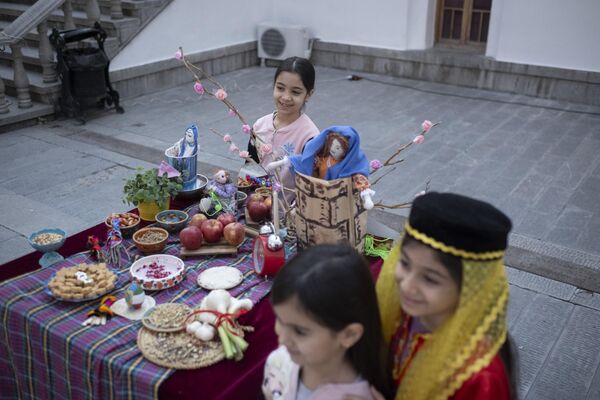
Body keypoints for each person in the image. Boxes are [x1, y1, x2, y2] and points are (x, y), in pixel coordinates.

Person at [371, 192, 515, 400]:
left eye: (430, 279)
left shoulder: (480, 378)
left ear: (470, 287)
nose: (407, 285)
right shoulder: (406, 314)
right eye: (404, 263)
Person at [262, 244, 391, 400]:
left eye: (300, 331)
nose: (282, 339)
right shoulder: (280, 362)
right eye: (280, 321)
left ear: (349, 335)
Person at [248, 56, 319, 201]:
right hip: (255, 207)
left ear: (309, 94)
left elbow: (309, 188)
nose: (286, 97)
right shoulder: (259, 126)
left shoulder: (310, 137)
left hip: (288, 216)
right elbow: (249, 169)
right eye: (280, 88)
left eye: (296, 92)